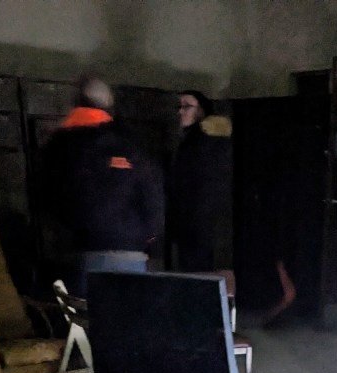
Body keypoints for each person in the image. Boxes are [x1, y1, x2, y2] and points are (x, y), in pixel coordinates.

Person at [41, 75, 164, 293]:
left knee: (89, 321)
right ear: (109, 105)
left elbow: (47, 199)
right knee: (132, 320)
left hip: (82, 253)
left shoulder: (58, 145)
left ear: (76, 102)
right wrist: (147, 235)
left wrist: (66, 238)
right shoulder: (129, 142)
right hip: (130, 251)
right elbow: (152, 193)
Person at [170, 89, 233, 273]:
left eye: (187, 106)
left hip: (197, 227)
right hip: (203, 227)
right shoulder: (201, 141)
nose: (180, 111)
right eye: (179, 106)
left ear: (201, 110)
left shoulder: (200, 143)